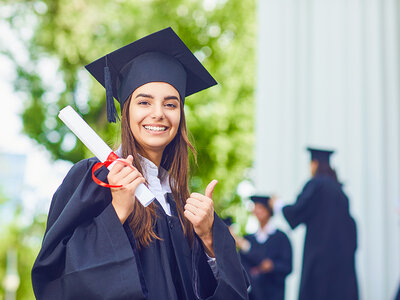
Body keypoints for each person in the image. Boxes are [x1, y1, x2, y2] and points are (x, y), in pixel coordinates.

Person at [31, 27, 249, 300]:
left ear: (180, 115)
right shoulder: (94, 177)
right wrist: (117, 212)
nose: (158, 114)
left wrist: (208, 239)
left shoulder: (178, 197)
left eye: (170, 105)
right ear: (125, 111)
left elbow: (218, 289)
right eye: (144, 102)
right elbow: (55, 276)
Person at [272, 147, 358, 300]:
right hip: (342, 266)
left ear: (314, 164)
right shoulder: (341, 193)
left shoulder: (317, 185)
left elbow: (297, 211)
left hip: (320, 263)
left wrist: (278, 204)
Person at [238, 196, 292, 300]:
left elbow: (288, 266)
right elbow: (242, 266)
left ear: (269, 210)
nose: (257, 211)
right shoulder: (248, 239)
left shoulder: (281, 237)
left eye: (261, 208)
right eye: (256, 208)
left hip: (274, 292)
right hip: (253, 294)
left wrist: (273, 266)